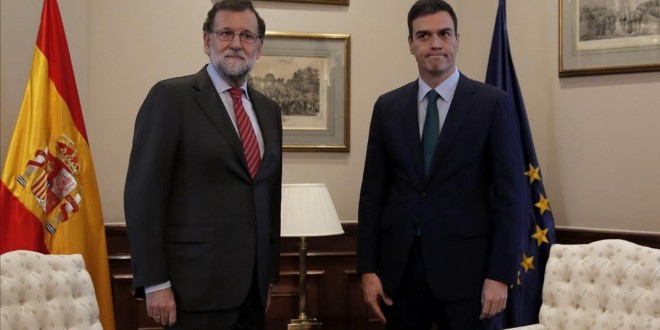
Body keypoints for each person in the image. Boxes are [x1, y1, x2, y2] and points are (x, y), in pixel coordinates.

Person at [357, 0, 527, 329]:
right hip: (400, 275)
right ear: (410, 44)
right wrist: (367, 269)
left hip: (470, 276)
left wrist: (501, 275)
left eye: (444, 33)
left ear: (457, 39)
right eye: (423, 35)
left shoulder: (492, 104)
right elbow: (372, 195)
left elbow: (511, 196)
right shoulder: (387, 108)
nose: (435, 43)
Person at [124, 0, 282, 329]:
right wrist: (155, 282)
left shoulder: (268, 110)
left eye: (247, 36)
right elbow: (144, 197)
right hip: (191, 291)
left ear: (260, 47)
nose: (236, 44)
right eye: (225, 33)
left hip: (252, 293)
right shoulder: (171, 98)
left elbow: (268, 196)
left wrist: (268, 276)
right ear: (206, 41)